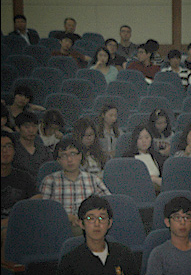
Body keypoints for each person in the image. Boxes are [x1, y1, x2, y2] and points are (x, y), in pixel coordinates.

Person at [40, 138, 111, 236]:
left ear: (80, 156)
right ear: (58, 160)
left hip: (88, 225)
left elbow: (108, 204)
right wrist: (67, 217)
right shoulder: (50, 181)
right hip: (59, 226)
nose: (69, 159)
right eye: (64, 156)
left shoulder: (93, 180)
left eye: (73, 154)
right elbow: (43, 211)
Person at [1, 130, 40, 261]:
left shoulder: (23, 176)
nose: (5, 151)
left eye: (8, 146)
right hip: (7, 227)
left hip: (20, 223)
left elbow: (37, 199)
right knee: (7, 233)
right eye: (1, 147)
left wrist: (12, 220)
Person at [122, 122, 166, 192]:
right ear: (135, 140)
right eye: (140, 138)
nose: (144, 141)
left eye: (147, 137)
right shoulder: (128, 157)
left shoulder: (157, 156)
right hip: (137, 189)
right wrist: (153, 179)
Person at [12, 111, 53, 179]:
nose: (31, 130)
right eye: (27, 127)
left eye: (34, 126)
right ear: (17, 128)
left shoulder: (44, 150)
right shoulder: (13, 150)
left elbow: (50, 170)